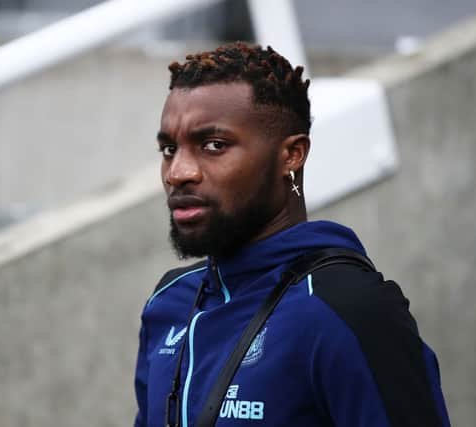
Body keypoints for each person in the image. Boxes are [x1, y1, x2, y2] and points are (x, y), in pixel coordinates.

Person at [134, 42, 450, 427]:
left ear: (292, 155)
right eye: (169, 149)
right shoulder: (169, 304)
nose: (178, 172)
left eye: (213, 145)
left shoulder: (347, 308)